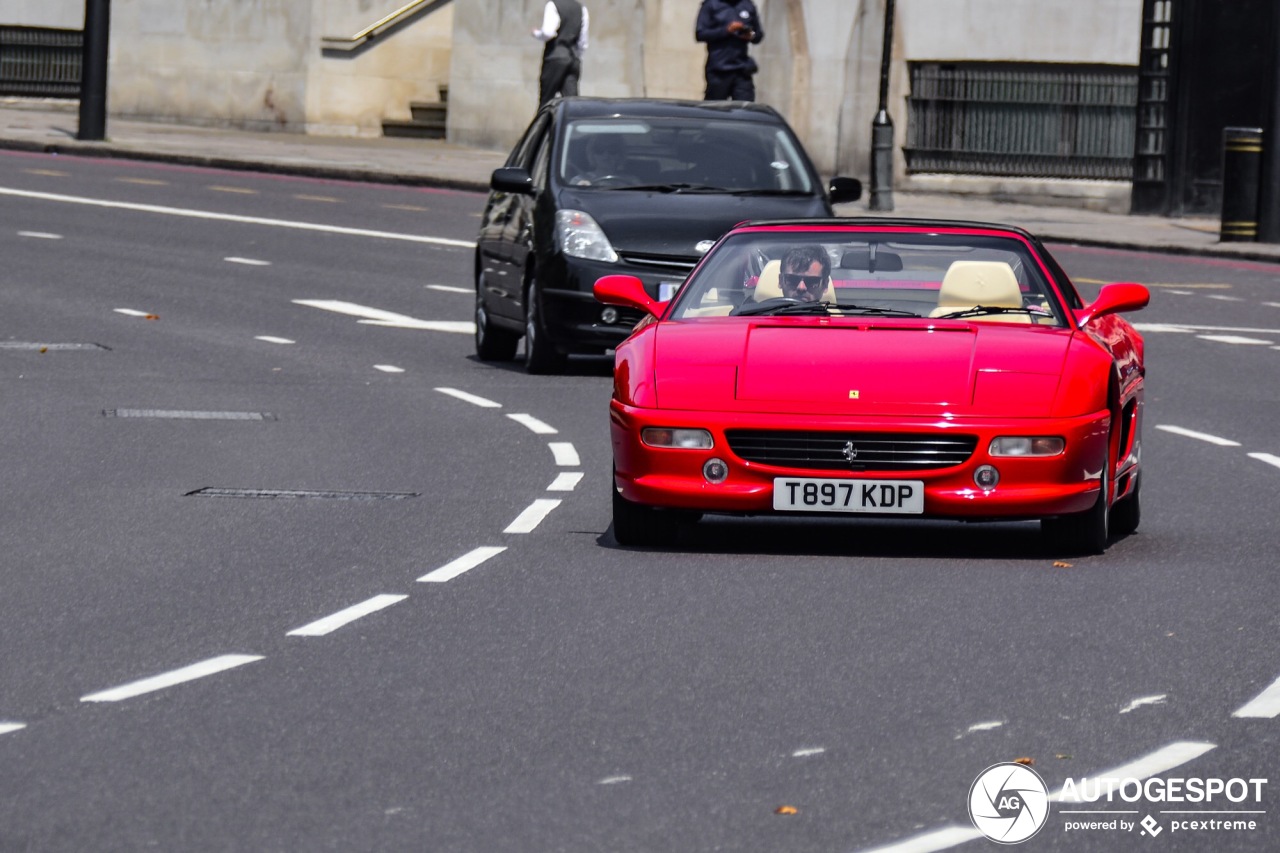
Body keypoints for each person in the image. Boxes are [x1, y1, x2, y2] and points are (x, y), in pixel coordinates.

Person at [695, 0, 763, 101]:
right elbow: (700, 34)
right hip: (719, 70)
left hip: (742, 69)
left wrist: (750, 35)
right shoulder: (711, 4)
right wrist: (727, 30)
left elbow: (758, 35)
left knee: (746, 109)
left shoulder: (748, 5)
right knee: (714, 110)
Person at [532, 0, 589, 107]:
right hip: (573, 59)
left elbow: (548, 32)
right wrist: (577, 57)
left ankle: (544, 124)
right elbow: (583, 42)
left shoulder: (553, 5)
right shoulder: (581, 9)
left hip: (555, 57)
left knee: (546, 102)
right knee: (572, 104)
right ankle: (573, 124)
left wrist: (536, 33)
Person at [568, 134, 638, 186]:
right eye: (599, 150)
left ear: (620, 154)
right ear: (592, 154)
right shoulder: (578, 181)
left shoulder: (632, 182)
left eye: (612, 150)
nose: (606, 155)